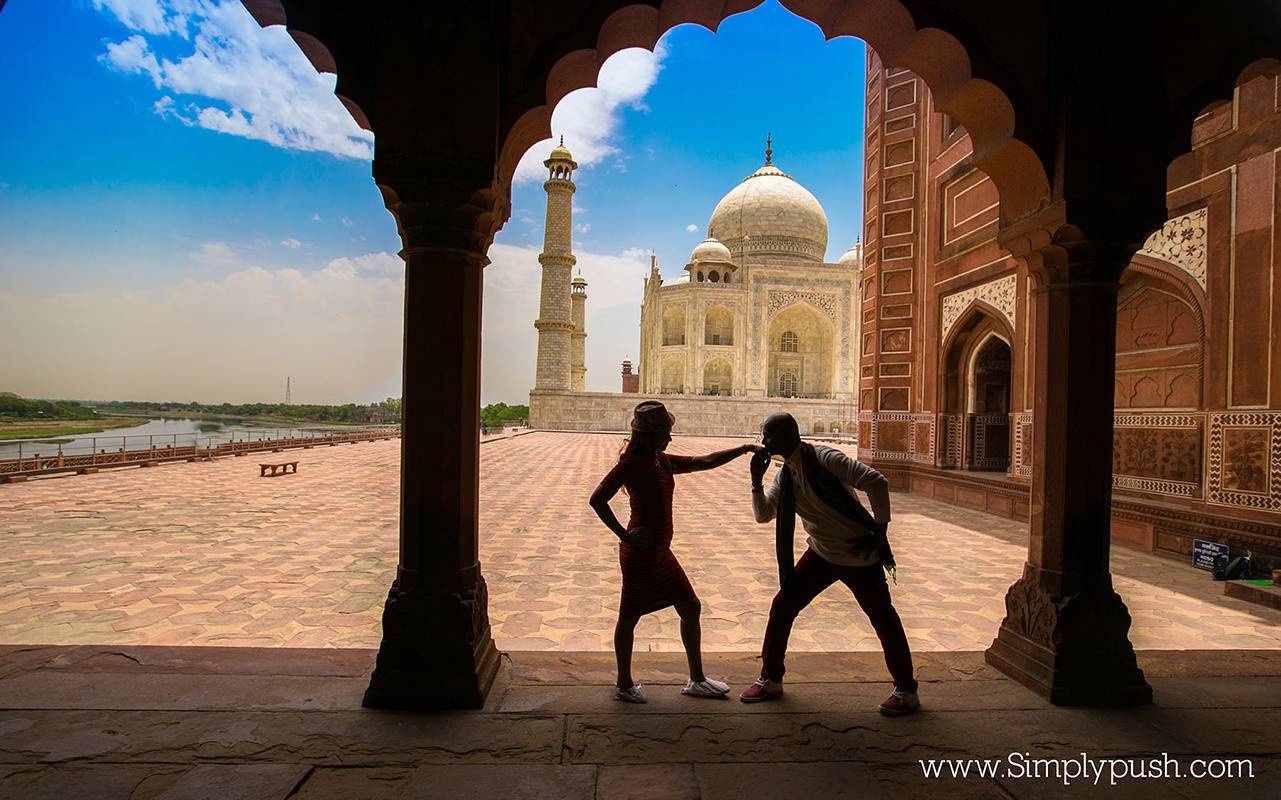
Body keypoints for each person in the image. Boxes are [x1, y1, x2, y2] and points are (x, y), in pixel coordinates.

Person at [740, 412, 920, 715]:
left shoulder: (824, 459)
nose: (763, 441)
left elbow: (876, 482)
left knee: (883, 619)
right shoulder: (786, 474)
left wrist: (880, 533)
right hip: (822, 554)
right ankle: (771, 678)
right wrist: (756, 481)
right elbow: (764, 515)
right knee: (782, 607)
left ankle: (907, 690)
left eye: (767, 435)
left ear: (786, 436)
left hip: (857, 555)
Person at [590, 400, 762, 703]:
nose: (670, 438)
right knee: (629, 618)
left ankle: (697, 679)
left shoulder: (660, 460)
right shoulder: (632, 463)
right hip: (640, 555)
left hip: (661, 552)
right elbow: (597, 499)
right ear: (650, 436)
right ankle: (623, 684)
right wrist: (625, 536)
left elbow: (705, 461)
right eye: (665, 433)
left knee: (690, 607)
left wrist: (744, 449)